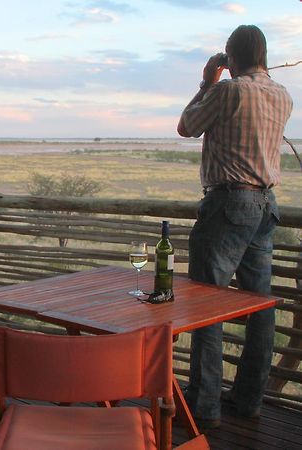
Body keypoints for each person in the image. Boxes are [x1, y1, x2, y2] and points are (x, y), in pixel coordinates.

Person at [177, 25, 293, 429]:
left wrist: (206, 83)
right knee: (259, 306)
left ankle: (204, 407)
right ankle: (248, 401)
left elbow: (187, 126)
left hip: (228, 203)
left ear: (230, 56)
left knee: (205, 304)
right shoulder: (282, 94)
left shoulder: (228, 91)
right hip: (265, 205)